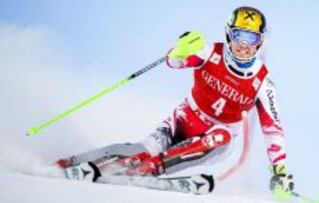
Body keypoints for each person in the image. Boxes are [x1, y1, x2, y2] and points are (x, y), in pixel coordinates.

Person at [60, 6, 294, 195]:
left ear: (260, 42)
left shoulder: (263, 82)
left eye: (251, 38)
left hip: (215, 136)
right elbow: (174, 63)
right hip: (182, 120)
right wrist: (179, 51)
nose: (243, 45)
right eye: (238, 35)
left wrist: (280, 170)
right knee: (141, 149)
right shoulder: (209, 51)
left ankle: (152, 168)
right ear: (228, 33)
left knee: (221, 136)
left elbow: (273, 130)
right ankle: (70, 163)